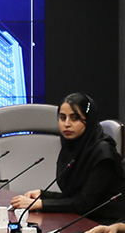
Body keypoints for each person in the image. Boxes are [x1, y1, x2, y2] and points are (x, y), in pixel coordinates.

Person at [11, 93, 125, 224]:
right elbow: (74, 197)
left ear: (89, 120)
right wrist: (43, 194)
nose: (66, 124)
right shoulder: (73, 148)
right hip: (82, 219)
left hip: (108, 225)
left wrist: (39, 204)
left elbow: (84, 203)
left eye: (75, 118)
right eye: (62, 117)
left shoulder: (103, 154)